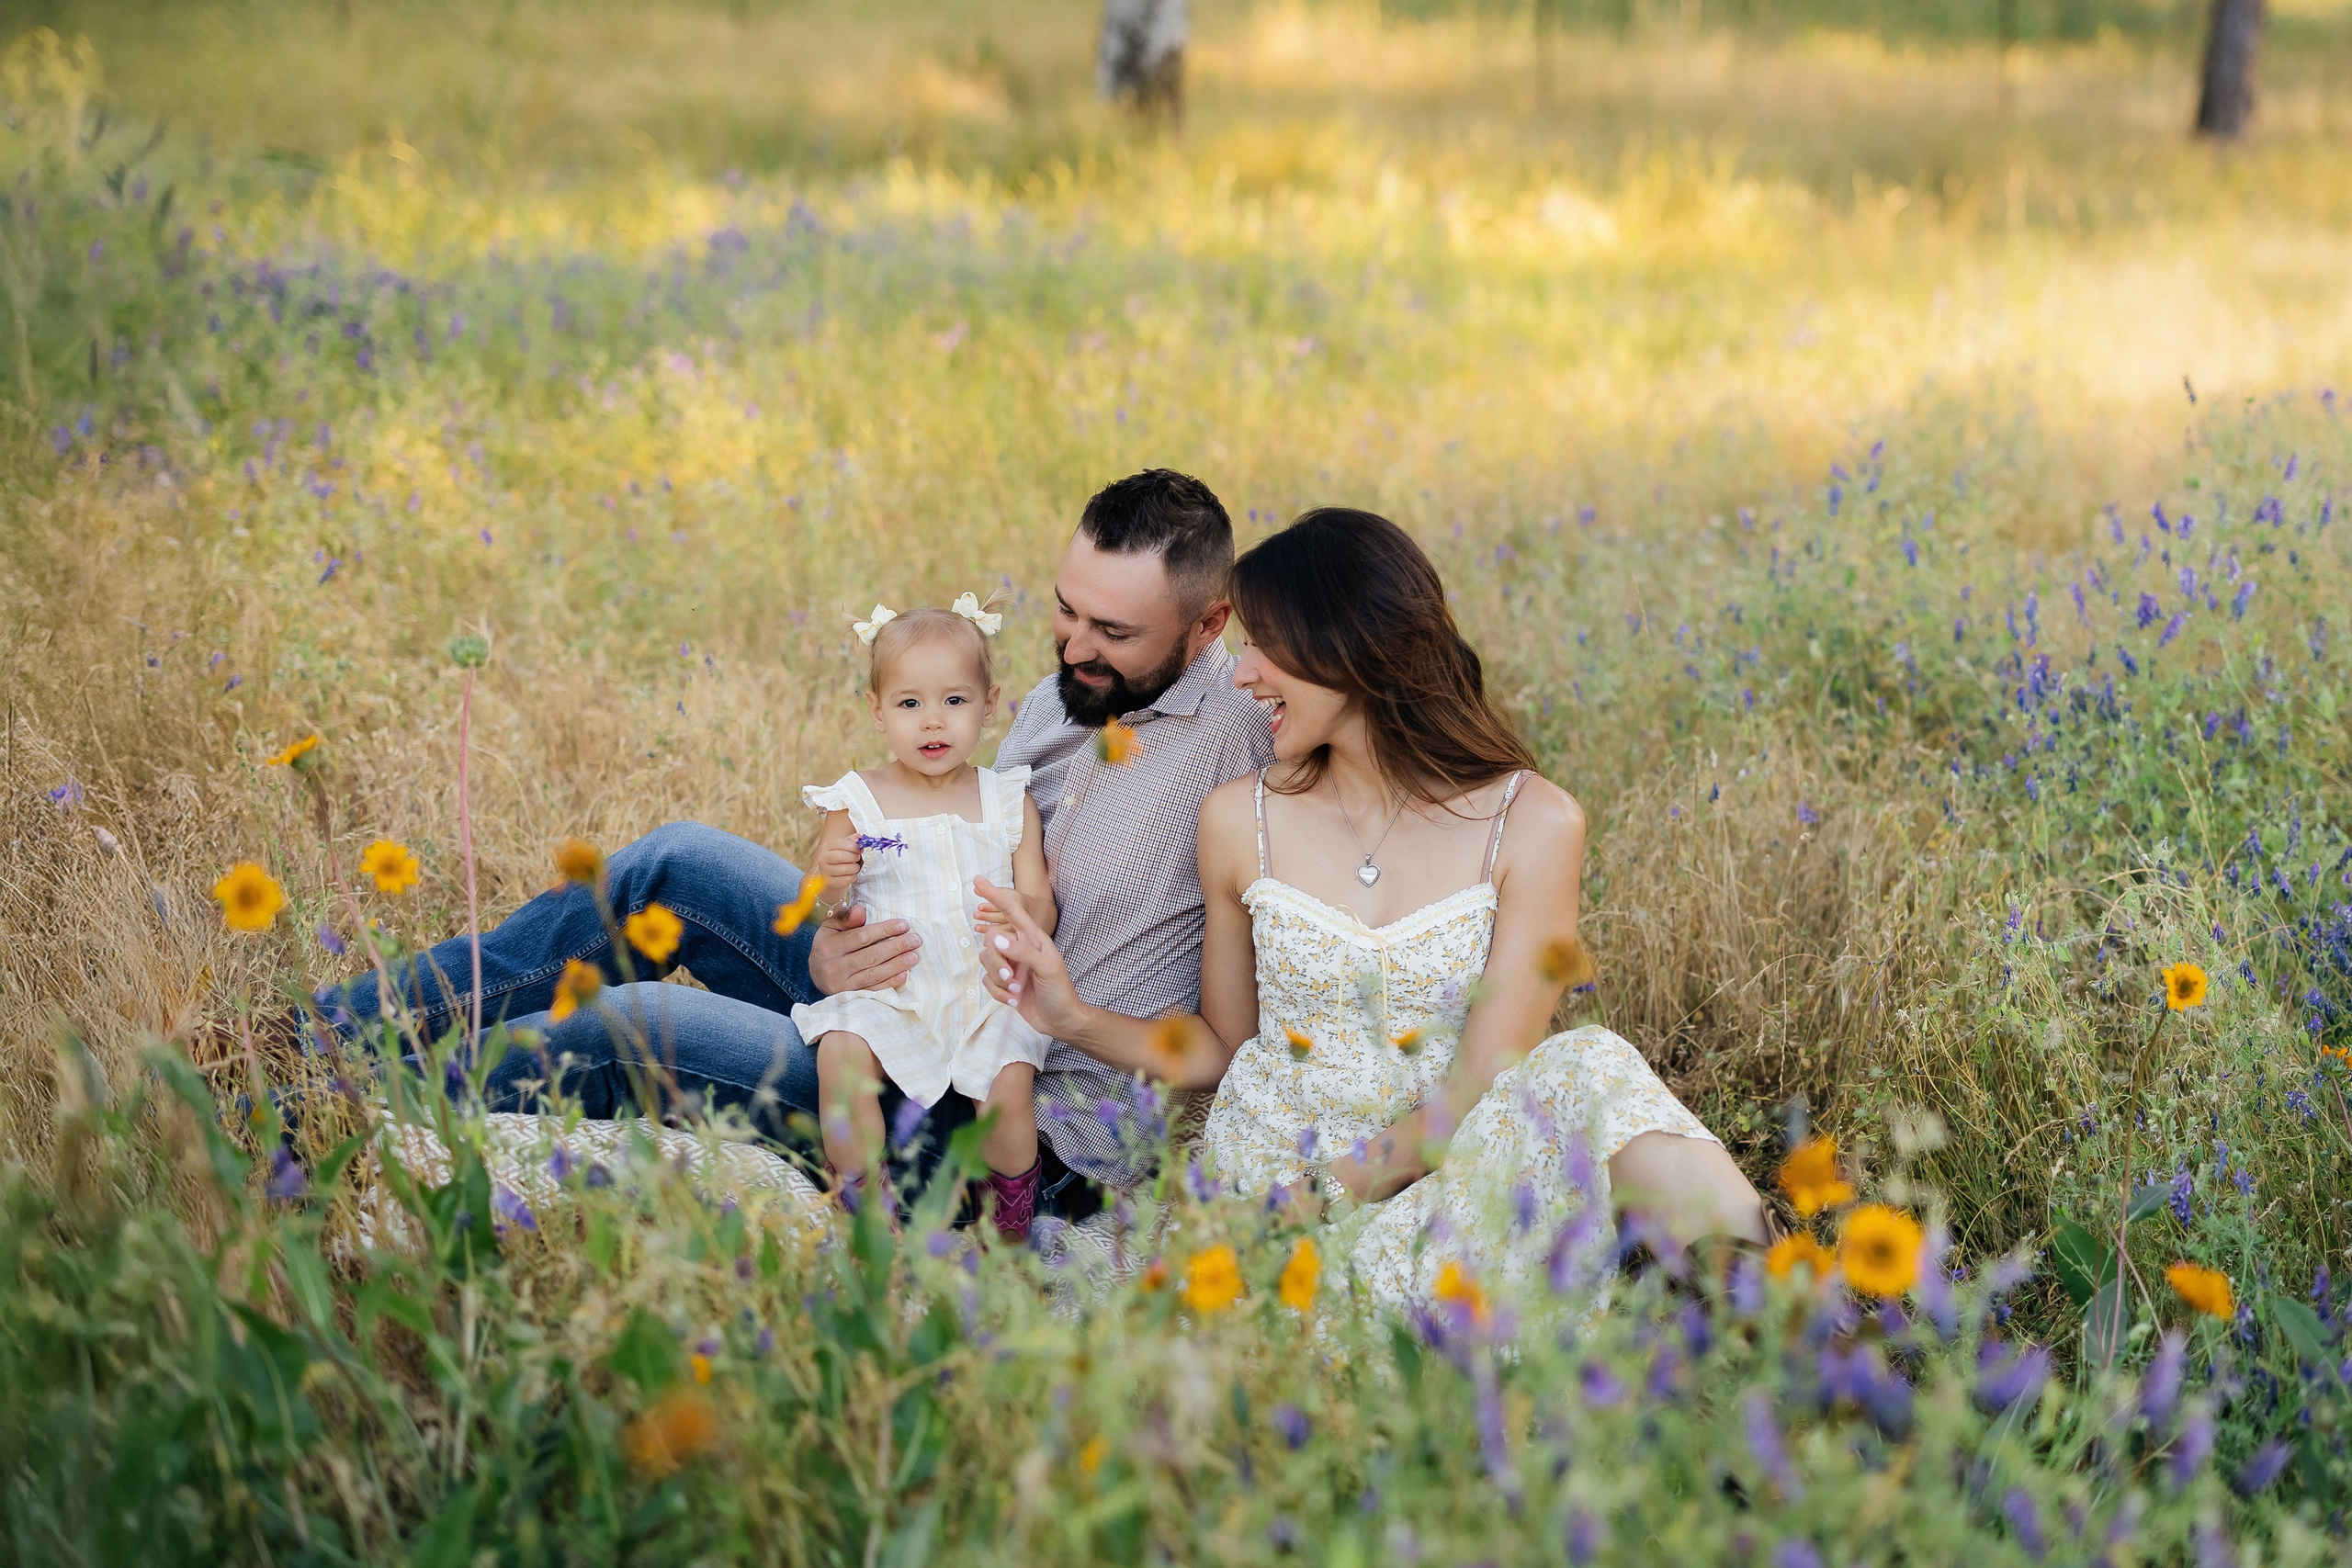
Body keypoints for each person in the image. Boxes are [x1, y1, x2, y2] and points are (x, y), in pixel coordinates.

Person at [318, 468, 1272, 1221]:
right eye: (1066, 610)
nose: (1071, 648)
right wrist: (834, 935)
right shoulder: (1069, 696)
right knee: (675, 865)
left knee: (633, 1027)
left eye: (1113, 630)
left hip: (1017, 1114)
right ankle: (313, 1042)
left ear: (1209, 626)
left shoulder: (1249, 748)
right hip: (916, 990)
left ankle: (313, 1122)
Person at [978, 508, 1766, 1308]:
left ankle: (1766, 1300)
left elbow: (1481, 1085)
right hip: (1271, 1181)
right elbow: (1222, 1046)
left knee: (1588, 1064)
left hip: (1433, 1162)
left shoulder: (1533, 821)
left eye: (1264, 647)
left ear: (1348, 652)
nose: (1242, 674)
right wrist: (1069, 1016)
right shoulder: (1237, 818)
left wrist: (1331, 1190)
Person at [792, 593, 1057, 1241]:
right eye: (910, 703)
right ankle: (864, 1194)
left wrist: (1025, 918)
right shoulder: (856, 800)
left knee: (1008, 1085)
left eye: (955, 701)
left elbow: (1040, 897)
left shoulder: (1005, 800)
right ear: (877, 711)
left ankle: (1011, 1213)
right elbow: (827, 908)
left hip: (984, 990)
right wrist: (830, 879)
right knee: (842, 1054)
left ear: (990, 705)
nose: (932, 721)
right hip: (893, 991)